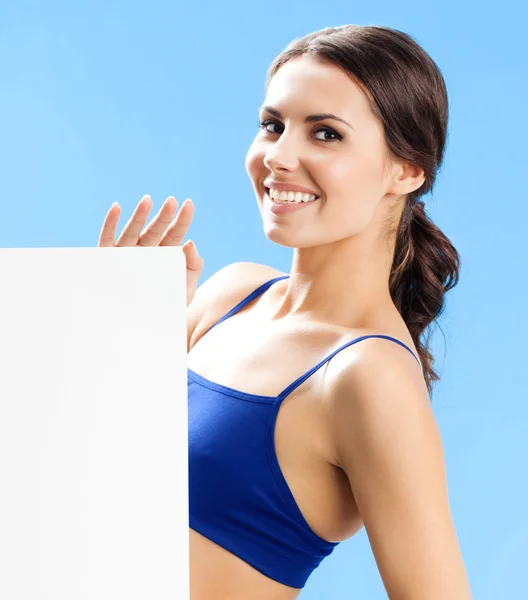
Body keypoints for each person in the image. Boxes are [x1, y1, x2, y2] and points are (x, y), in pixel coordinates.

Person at [98, 24, 472, 600]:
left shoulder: (367, 377)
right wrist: (117, 331)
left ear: (407, 170)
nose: (278, 156)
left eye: (325, 134)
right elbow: (96, 475)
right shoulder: (229, 296)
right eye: (272, 126)